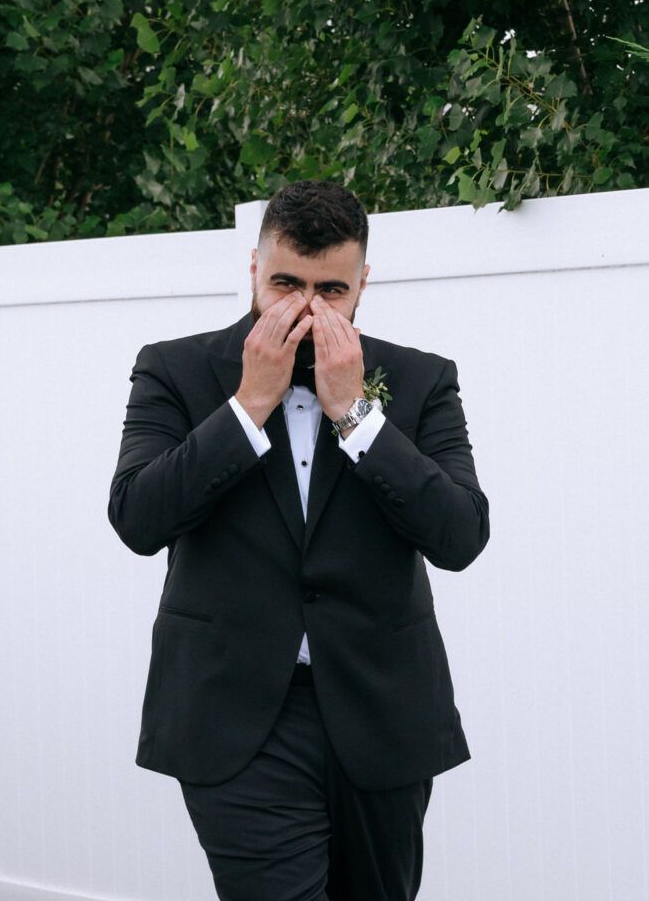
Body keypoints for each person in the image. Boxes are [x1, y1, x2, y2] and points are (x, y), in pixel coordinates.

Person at [108, 179, 489, 901]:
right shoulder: (175, 370)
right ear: (253, 269)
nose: (307, 307)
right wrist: (249, 404)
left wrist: (357, 417)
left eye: (330, 289)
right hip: (235, 717)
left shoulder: (419, 381)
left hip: (381, 714)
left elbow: (460, 535)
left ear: (362, 284)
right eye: (285, 282)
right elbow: (137, 518)